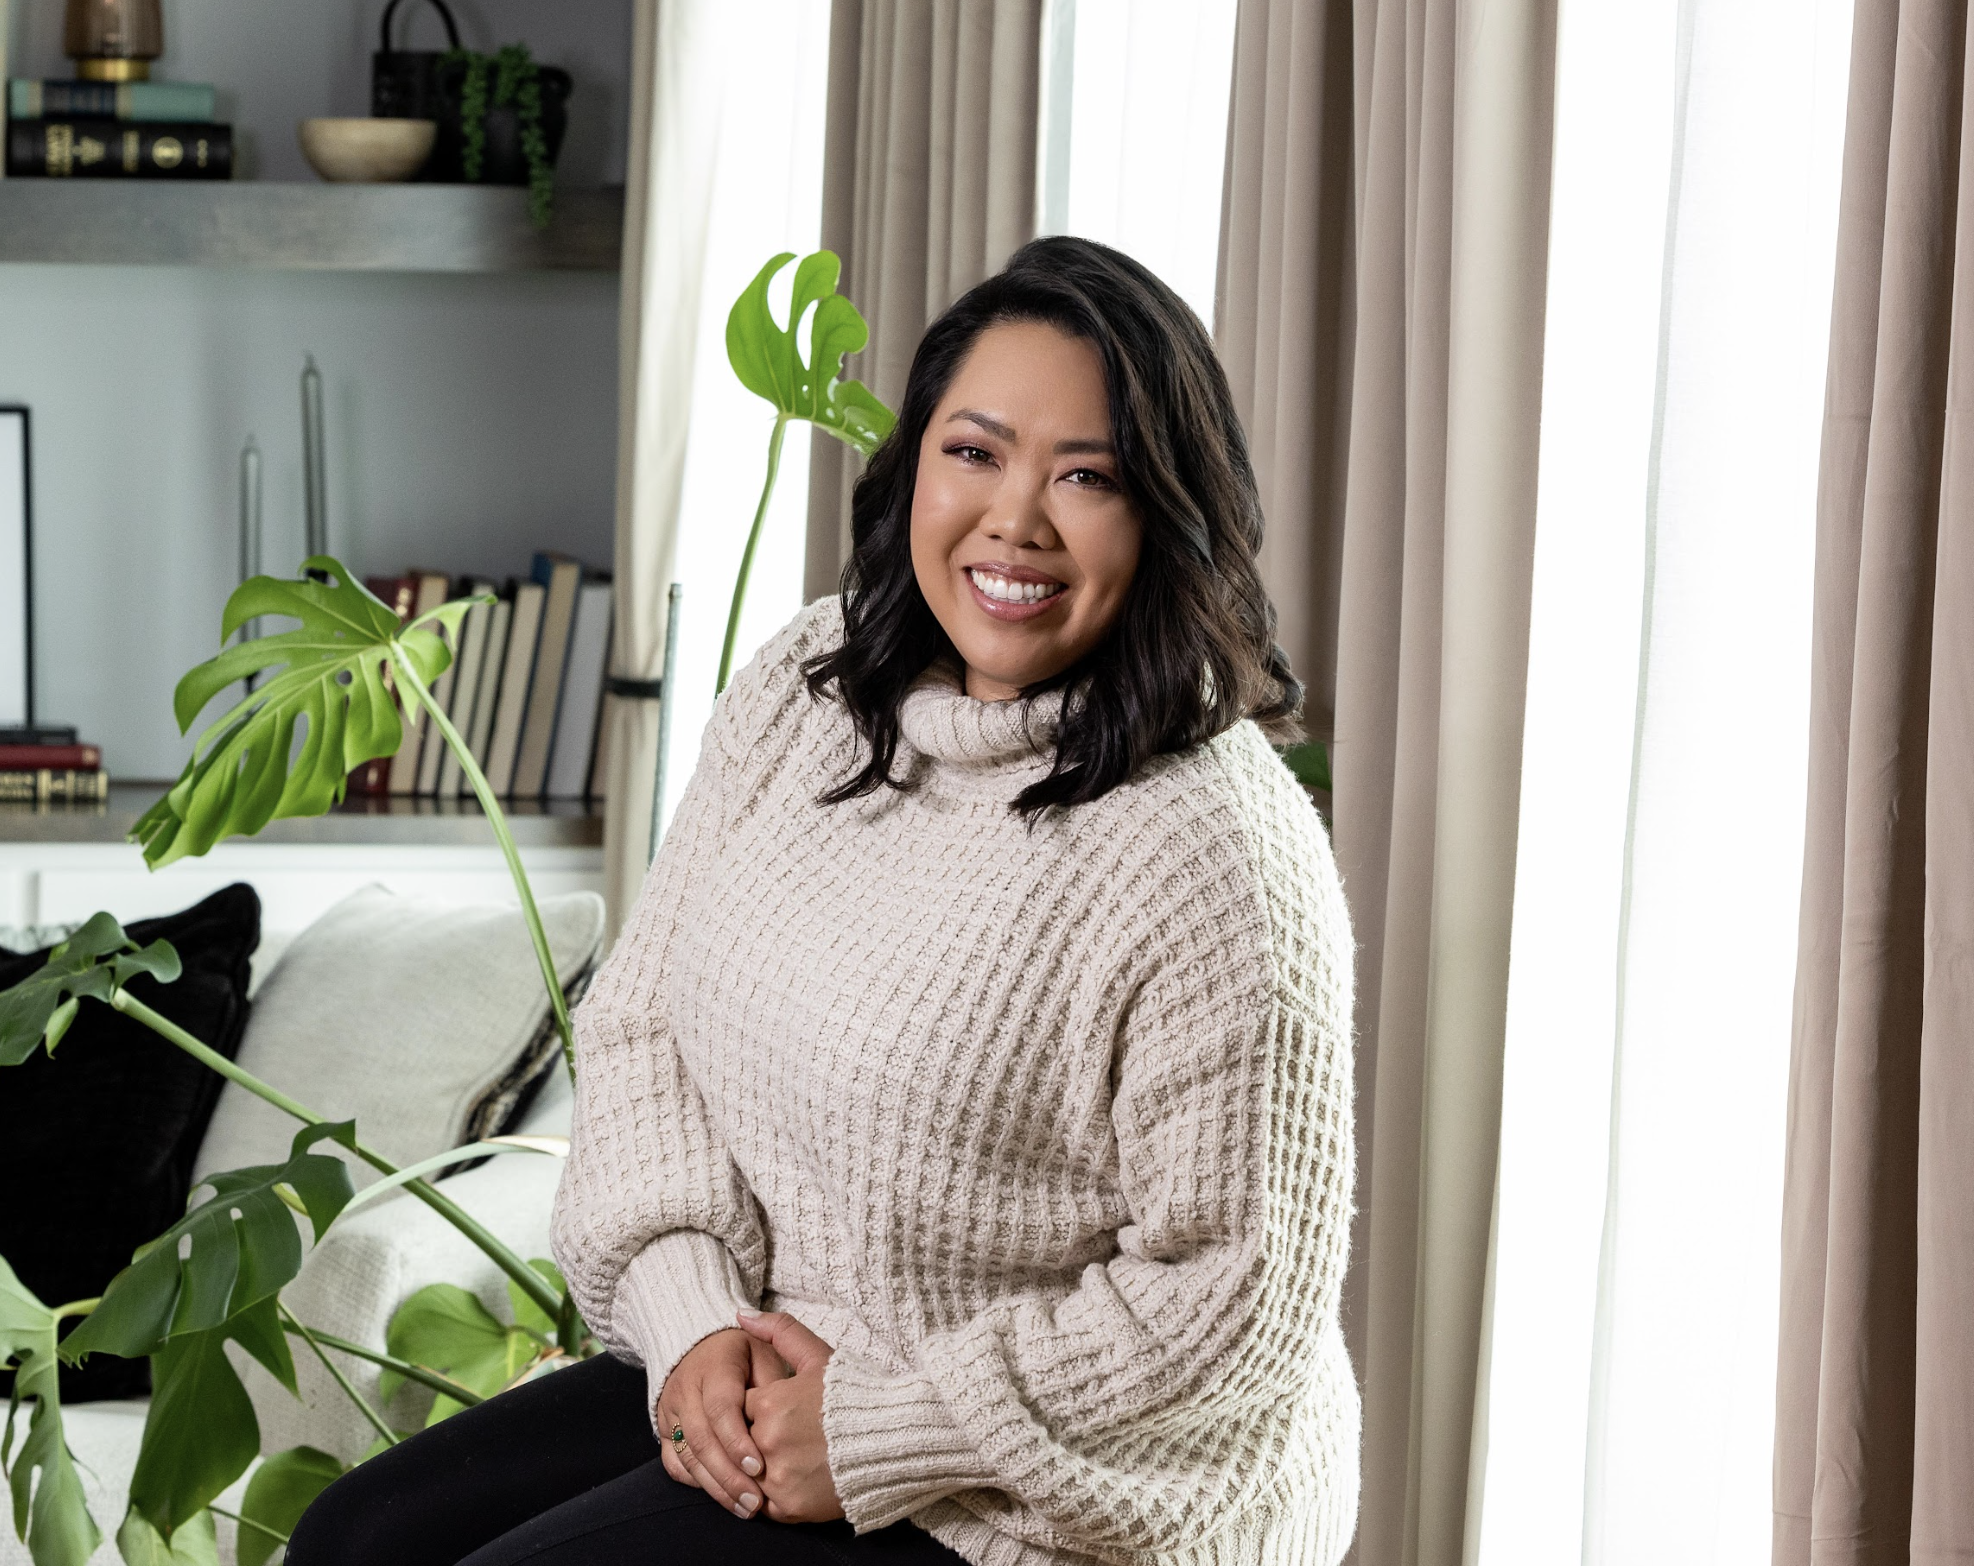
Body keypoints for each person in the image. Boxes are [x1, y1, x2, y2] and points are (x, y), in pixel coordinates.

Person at [287, 235, 1357, 1566]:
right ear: (915, 465)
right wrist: (690, 1331)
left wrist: (873, 1430)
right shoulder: (812, 684)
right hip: (764, 1361)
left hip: (1036, 1484)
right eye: (972, 452)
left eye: (1086, 477)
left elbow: (1228, 1304)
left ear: (1165, 516)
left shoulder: (1207, 846)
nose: (1013, 520)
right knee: (352, 1538)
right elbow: (646, 1031)